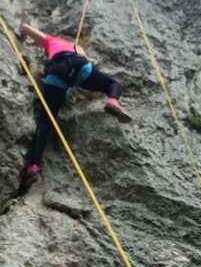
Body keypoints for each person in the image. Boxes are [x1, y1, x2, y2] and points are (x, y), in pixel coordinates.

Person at [16, 22, 132, 192]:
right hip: (79, 67)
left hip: (56, 72)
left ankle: (33, 166)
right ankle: (113, 101)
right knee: (112, 83)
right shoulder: (76, 47)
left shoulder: (52, 42)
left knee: (46, 122)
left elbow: (25, 27)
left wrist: (23, 36)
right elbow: (86, 62)